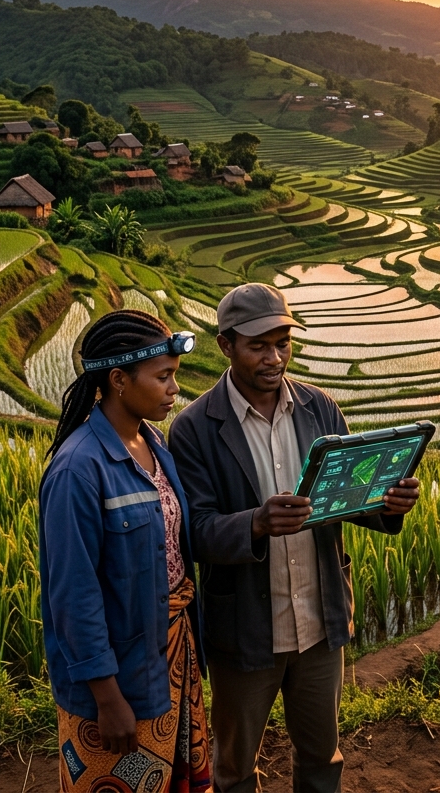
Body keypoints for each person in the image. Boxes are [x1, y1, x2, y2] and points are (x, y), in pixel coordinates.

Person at [169, 283, 420, 793]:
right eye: (259, 345)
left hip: (318, 622)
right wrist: (255, 523)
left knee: (322, 758)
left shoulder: (319, 408)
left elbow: (346, 495)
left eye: (283, 343)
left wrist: (388, 504)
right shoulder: (193, 429)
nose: (275, 357)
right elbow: (191, 532)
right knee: (235, 768)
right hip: (244, 630)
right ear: (226, 345)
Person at [39, 309, 211, 793]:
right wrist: (107, 695)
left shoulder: (152, 442)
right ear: (118, 379)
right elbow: (73, 594)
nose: (174, 389)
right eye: (164, 377)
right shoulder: (78, 469)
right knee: (118, 781)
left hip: (170, 653)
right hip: (120, 675)